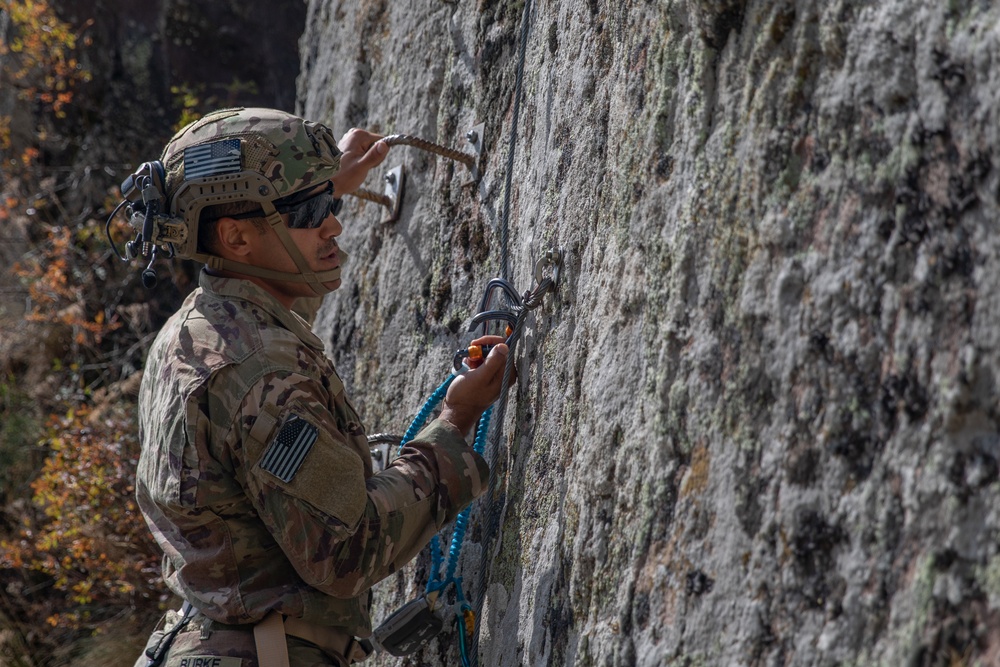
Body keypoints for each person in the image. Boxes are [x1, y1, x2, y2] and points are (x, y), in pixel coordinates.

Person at [129, 107, 507, 666]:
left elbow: (277, 299)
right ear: (235, 238)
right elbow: (349, 549)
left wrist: (325, 188)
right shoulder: (257, 370)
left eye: (328, 204)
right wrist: (455, 425)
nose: (333, 224)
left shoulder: (199, 329)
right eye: (310, 211)